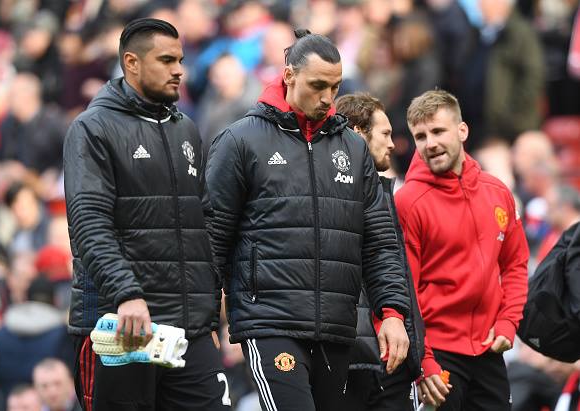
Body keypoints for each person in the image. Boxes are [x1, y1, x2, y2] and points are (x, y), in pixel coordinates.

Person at [206, 29, 411, 411]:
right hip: (269, 322)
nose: (328, 97)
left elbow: (379, 241)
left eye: (335, 87)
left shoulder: (353, 148)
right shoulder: (240, 141)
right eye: (317, 85)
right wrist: (204, 319)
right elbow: (213, 235)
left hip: (336, 327)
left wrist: (393, 313)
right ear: (289, 76)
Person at [63, 18, 228, 410]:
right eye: (166, 60)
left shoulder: (186, 129)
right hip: (122, 324)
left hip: (189, 331)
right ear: (132, 63)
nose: (179, 70)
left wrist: (207, 314)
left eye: (181, 60)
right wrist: (127, 294)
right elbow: (89, 222)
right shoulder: (92, 128)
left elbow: (202, 223)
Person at [395, 89, 529, 409]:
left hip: (488, 350)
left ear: (462, 130)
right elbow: (403, 290)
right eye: (421, 136)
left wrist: (508, 321)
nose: (430, 143)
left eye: (438, 131)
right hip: (436, 356)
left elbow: (515, 263)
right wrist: (423, 361)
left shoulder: (498, 192)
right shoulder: (408, 202)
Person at [336, 92, 424, 410]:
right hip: (354, 359)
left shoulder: (385, 195)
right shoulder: (331, 196)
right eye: (385, 134)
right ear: (358, 133)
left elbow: (398, 276)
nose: (392, 144)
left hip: (392, 357)